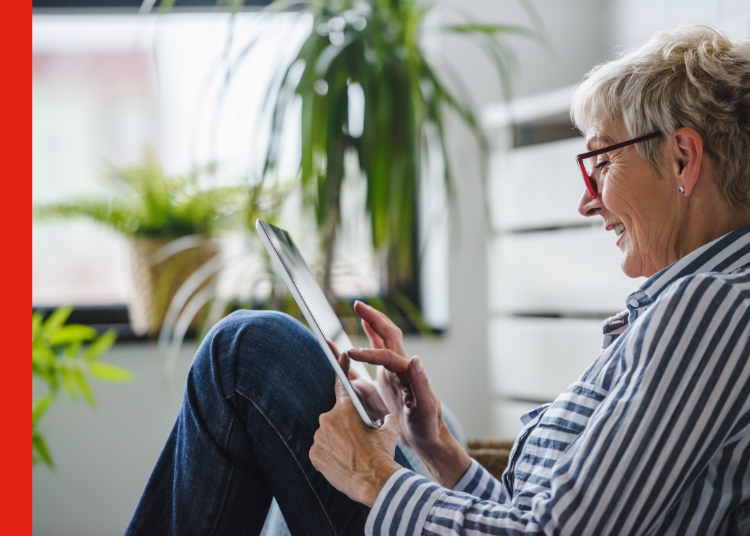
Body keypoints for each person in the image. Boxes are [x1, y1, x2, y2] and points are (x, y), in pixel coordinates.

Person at [126, 24, 750, 535]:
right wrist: (436, 446)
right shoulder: (693, 305)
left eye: (600, 163)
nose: (587, 202)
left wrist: (374, 477)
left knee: (247, 351)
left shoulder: (713, 308)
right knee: (365, 400)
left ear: (682, 159)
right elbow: (538, 515)